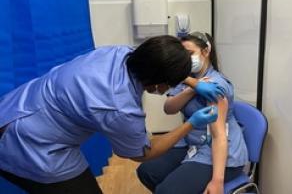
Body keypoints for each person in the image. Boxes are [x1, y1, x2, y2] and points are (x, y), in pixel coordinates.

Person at [0, 35, 224, 194]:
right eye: (169, 85)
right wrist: (190, 124)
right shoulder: (120, 108)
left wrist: (193, 83)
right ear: (158, 84)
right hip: (31, 146)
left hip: (14, 107)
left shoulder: (120, 53)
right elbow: (142, 153)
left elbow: (220, 137)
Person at [137, 32, 249, 194]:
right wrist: (193, 88)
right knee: (147, 172)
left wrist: (217, 181)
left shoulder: (215, 85)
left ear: (206, 51)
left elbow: (219, 136)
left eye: (190, 54)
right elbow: (169, 108)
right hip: (192, 143)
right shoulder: (187, 78)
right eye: (183, 56)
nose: (185, 60)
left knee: (166, 191)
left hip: (219, 153)